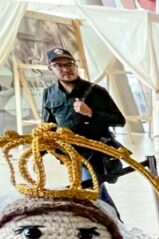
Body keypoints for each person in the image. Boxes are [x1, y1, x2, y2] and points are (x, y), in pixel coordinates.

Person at [41, 47, 126, 212]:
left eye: (69, 64)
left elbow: (119, 120)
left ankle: (114, 223)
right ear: (50, 68)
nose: (65, 69)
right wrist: (41, 149)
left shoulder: (96, 91)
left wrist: (91, 113)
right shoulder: (49, 94)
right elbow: (48, 125)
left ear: (75, 65)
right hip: (71, 155)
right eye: (58, 65)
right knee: (92, 194)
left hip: (96, 154)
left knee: (92, 193)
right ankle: (114, 222)